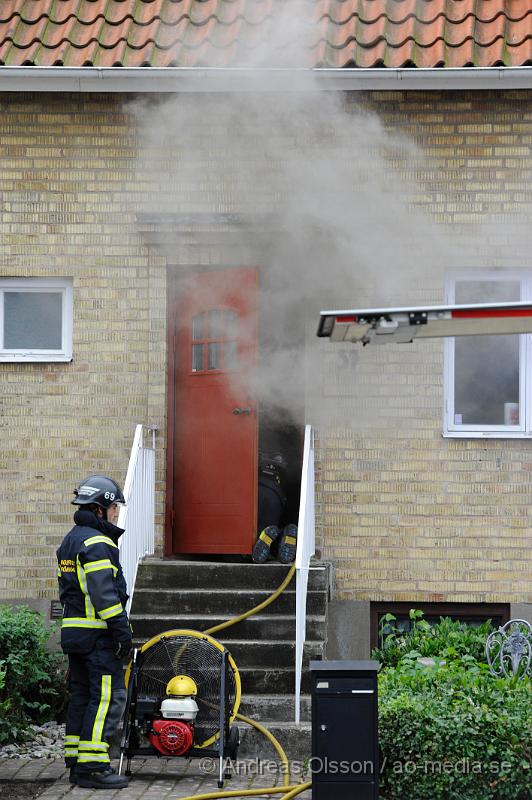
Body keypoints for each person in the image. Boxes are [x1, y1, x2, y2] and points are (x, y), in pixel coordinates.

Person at [56, 475, 132, 789]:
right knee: (106, 698)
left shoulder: (70, 540)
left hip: (74, 634)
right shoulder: (97, 543)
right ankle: (94, 767)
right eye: (114, 507)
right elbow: (104, 595)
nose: (116, 513)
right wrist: (121, 632)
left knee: (81, 697)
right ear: (100, 508)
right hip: (97, 636)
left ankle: (76, 762)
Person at [252, 452, 298, 564]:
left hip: (254, 492)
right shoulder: (288, 471)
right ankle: (282, 538)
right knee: (273, 530)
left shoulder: (256, 461)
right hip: (276, 497)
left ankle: (263, 539)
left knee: (259, 531)